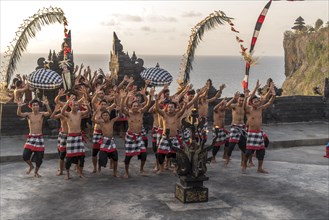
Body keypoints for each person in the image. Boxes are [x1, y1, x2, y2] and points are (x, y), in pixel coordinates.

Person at [243, 80, 276, 174]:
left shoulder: (260, 108)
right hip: (251, 133)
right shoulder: (249, 110)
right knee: (249, 151)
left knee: (262, 151)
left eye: (258, 101)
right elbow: (245, 106)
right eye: (255, 101)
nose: (257, 102)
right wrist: (246, 97)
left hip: (259, 133)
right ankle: (245, 164)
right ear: (251, 103)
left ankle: (259, 168)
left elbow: (268, 102)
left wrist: (272, 94)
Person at [120, 88, 154, 178]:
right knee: (128, 156)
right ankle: (126, 172)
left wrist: (148, 96)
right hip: (130, 137)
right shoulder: (128, 114)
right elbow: (122, 108)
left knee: (143, 153)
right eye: (134, 106)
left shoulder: (141, 113)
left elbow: (147, 104)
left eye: (137, 106)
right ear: (131, 107)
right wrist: (124, 98)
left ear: (139, 107)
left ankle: (141, 169)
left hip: (139, 136)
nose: (135, 107)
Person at [17, 98, 52, 177]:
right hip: (31, 137)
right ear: (31, 107)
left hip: (39, 138)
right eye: (34, 105)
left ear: (39, 106)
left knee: (39, 158)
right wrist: (19, 106)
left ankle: (36, 172)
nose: (36, 106)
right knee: (25, 155)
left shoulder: (41, 114)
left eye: (37, 105)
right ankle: (31, 166)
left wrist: (47, 105)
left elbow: (49, 113)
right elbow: (19, 113)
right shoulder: (29, 115)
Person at [155, 96, 186, 174]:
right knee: (159, 154)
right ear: (167, 108)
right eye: (169, 107)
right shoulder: (164, 115)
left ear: (175, 108)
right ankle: (161, 168)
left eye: (172, 107)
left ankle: (175, 168)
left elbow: (182, 110)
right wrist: (156, 100)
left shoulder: (177, 115)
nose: (170, 108)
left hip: (174, 138)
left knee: (175, 154)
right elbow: (157, 109)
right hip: (165, 137)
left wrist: (185, 103)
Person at [61, 97, 90, 180]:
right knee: (69, 157)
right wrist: (67, 102)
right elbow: (62, 111)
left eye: (76, 105)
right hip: (70, 137)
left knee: (82, 156)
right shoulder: (68, 114)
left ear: (78, 106)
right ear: (71, 106)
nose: (75, 106)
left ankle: (80, 173)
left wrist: (88, 105)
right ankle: (67, 173)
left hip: (78, 137)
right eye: (73, 105)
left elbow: (88, 112)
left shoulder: (80, 113)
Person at [93, 108, 121, 177]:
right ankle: (99, 167)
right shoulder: (101, 123)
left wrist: (119, 111)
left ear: (109, 116)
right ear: (102, 117)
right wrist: (95, 113)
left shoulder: (112, 121)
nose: (106, 116)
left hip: (111, 141)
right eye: (104, 115)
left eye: (107, 115)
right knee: (101, 157)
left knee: (115, 158)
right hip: (104, 141)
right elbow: (93, 120)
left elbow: (119, 116)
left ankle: (115, 172)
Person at [225, 91, 247, 167]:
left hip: (242, 127)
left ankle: (243, 162)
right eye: (240, 100)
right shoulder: (234, 106)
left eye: (242, 100)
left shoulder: (244, 106)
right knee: (231, 146)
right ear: (238, 100)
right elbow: (227, 105)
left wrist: (247, 95)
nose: (241, 101)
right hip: (234, 127)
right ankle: (227, 159)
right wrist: (233, 98)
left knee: (244, 147)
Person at [50, 104, 68, 176]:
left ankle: (76, 167)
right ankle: (61, 169)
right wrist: (55, 110)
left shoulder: (70, 114)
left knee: (72, 152)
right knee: (61, 151)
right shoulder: (61, 115)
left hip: (70, 134)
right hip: (62, 134)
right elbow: (52, 117)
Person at [211, 98, 229, 163]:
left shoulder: (224, 110)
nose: (225, 106)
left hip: (223, 129)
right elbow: (214, 108)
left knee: (228, 141)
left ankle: (225, 155)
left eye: (225, 105)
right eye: (223, 104)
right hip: (217, 129)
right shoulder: (217, 110)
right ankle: (213, 157)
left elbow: (229, 106)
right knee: (217, 145)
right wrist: (221, 102)